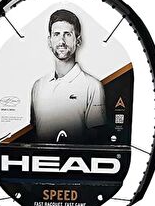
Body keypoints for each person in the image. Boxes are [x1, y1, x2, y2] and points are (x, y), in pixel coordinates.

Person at [30, 9, 106, 143]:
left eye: (67, 34)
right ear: (49, 41)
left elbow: (96, 141)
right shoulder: (38, 86)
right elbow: (34, 134)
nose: (61, 41)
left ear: (78, 40)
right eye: (56, 34)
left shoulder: (93, 86)